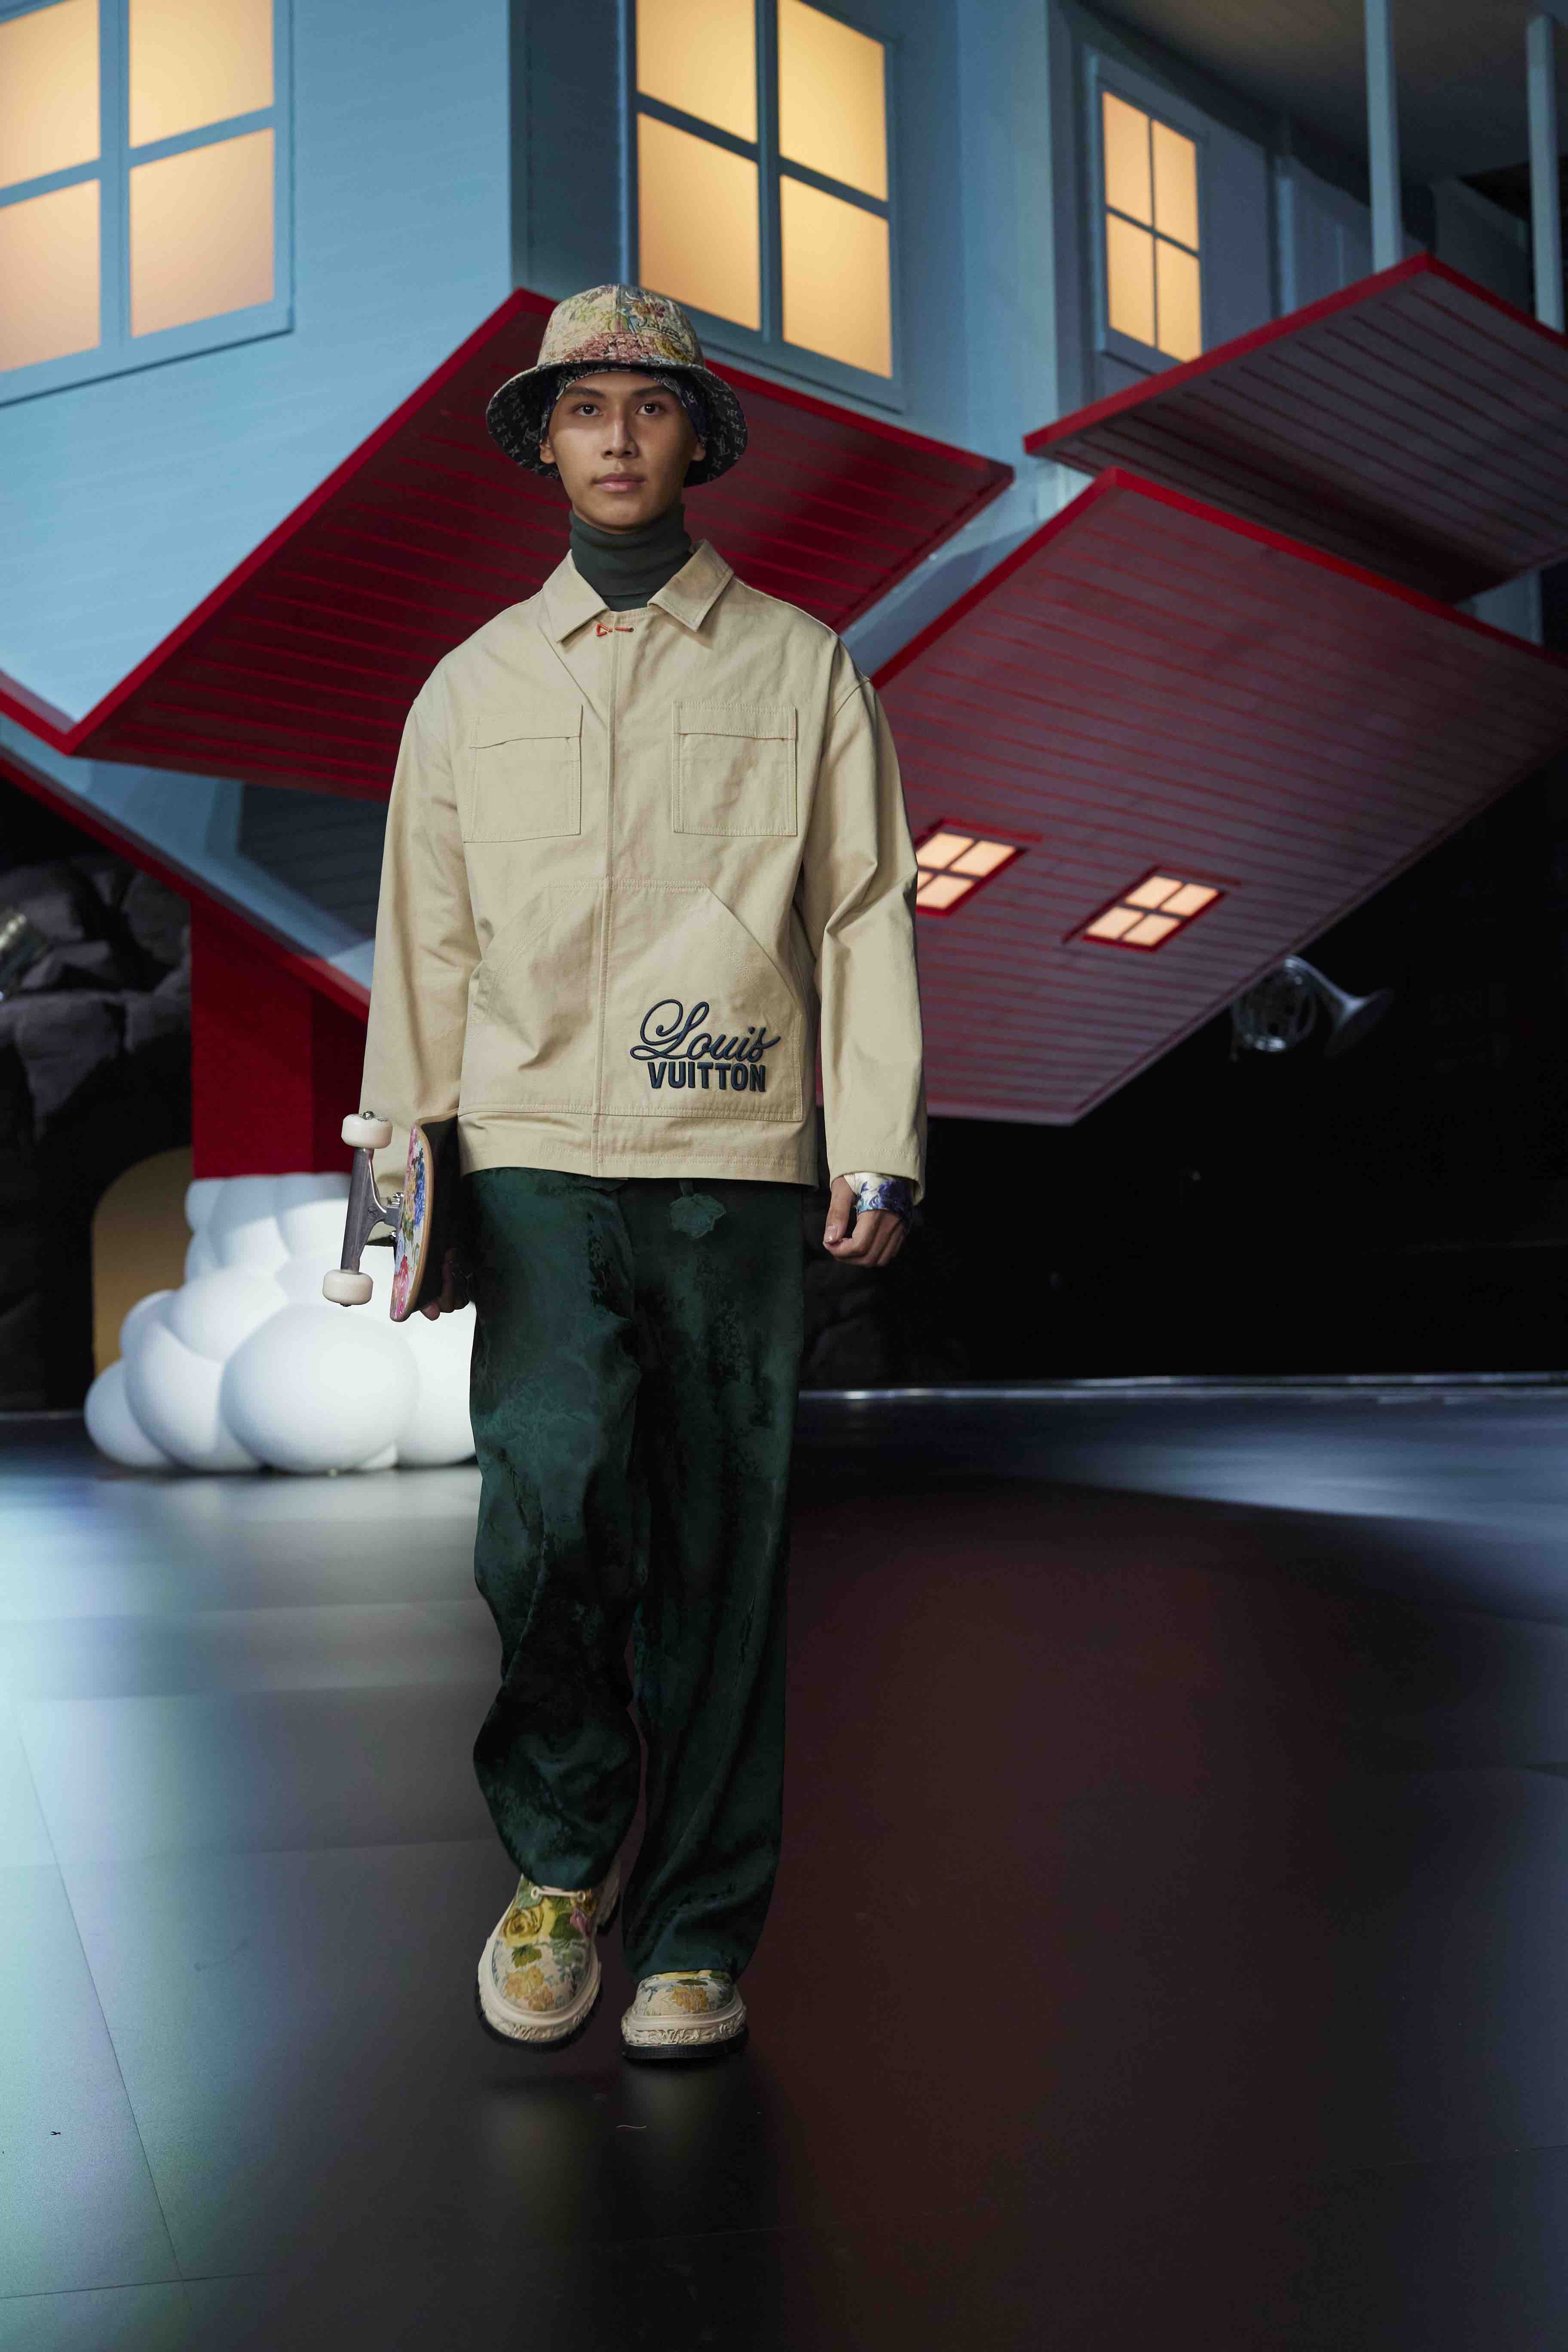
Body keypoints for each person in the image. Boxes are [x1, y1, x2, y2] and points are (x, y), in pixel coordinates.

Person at [360, 283, 925, 2061]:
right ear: (546, 443)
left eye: (650, 406)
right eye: (583, 409)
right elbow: (424, 937)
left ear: (699, 440)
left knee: (721, 1549)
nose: (616, 436)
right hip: (530, 1157)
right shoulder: (472, 688)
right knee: (541, 1516)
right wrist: (400, 1181)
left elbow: (862, 912)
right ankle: (559, 1856)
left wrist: (879, 1138)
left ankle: (693, 1927)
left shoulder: (802, 666)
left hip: (733, 1157)